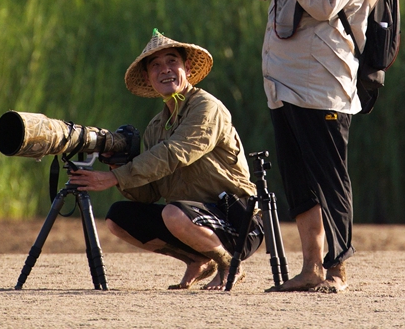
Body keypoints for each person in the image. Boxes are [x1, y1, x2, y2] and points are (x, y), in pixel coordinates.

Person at [243, 0, 377, 293]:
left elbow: (322, 4)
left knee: (329, 179)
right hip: (282, 86)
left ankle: (337, 271)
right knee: (299, 183)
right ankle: (310, 269)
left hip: (324, 87)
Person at [68, 30, 263, 290]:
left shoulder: (206, 107)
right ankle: (198, 258)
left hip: (238, 219)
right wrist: (115, 163)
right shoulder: (155, 126)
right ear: (149, 78)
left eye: (172, 62)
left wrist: (115, 177)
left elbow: (176, 152)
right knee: (118, 217)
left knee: (173, 213)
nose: (165, 70)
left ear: (188, 69)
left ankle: (230, 263)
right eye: (156, 66)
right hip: (190, 219)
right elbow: (149, 194)